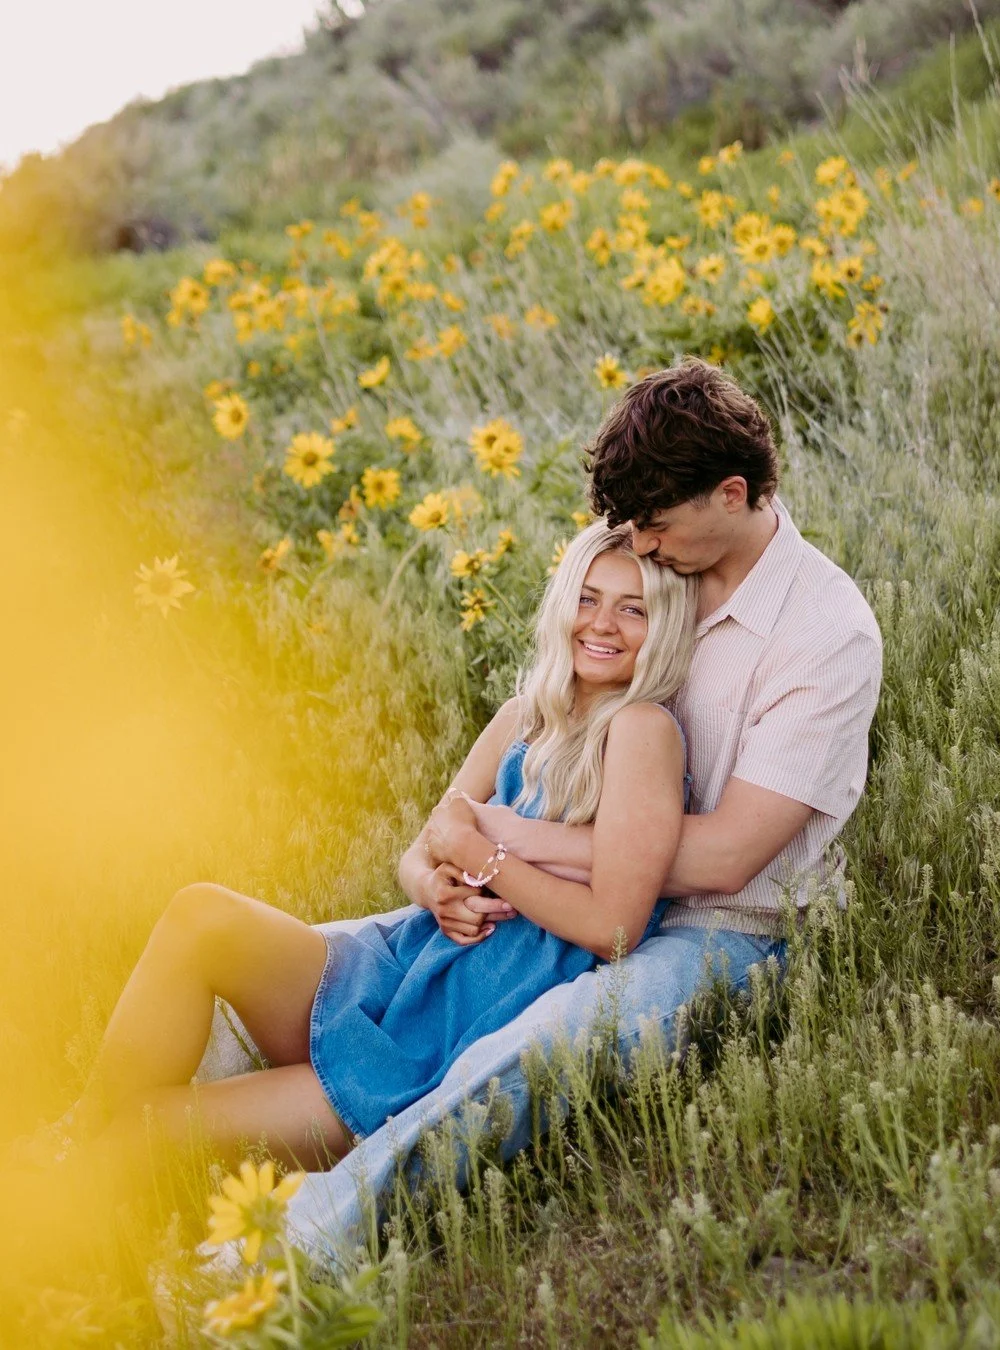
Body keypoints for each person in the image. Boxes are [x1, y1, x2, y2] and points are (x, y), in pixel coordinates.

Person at [237, 356, 883, 1264]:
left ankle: (308, 1240)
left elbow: (731, 854)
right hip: (558, 893)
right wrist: (450, 862)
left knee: (543, 1040)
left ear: (731, 494)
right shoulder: (652, 571)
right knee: (358, 949)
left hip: (723, 931)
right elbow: (544, 730)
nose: (642, 549)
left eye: (656, 527)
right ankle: (162, 1119)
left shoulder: (826, 633)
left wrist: (500, 838)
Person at [20, 520, 697, 1180]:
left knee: (149, 1123)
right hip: (397, 968)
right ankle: (69, 1140)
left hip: (437, 1036)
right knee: (201, 916)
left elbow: (615, 926)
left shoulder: (641, 729)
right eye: (588, 597)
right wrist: (430, 886)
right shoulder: (524, 718)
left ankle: (63, 1191)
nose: (603, 623)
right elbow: (426, 845)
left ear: (661, 627)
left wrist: (487, 859)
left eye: (632, 610)